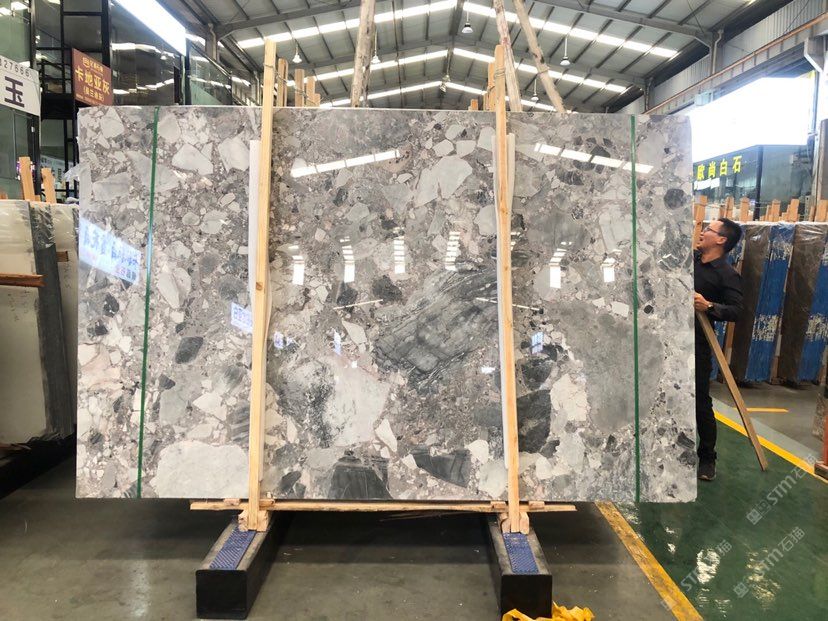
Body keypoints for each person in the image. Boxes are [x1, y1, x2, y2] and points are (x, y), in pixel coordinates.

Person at [693, 217, 743, 481]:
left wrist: (709, 306)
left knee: (700, 401)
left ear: (721, 239)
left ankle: (707, 458)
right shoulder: (686, 261)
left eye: (708, 230)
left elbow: (736, 311)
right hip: (666, 342)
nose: (702, 232)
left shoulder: (727, 274)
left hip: (697, 342)